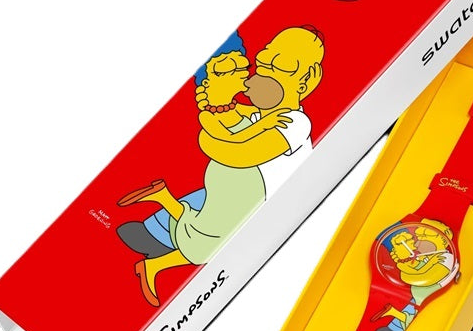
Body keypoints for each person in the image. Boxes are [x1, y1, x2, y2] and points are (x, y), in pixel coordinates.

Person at [117, 25, 324, 305]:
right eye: (264, 60)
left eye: (281, 65)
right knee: (207, 243)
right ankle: (157, 220)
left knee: (206, 239)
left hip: (249, 193)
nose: (265, 69)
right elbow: (222, 127)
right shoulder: (261, 114)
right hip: (241, 192)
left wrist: (211, 131)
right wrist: (215, 107)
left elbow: (239, 155)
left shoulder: (295, 123)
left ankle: (156, 235)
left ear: (307, 79)